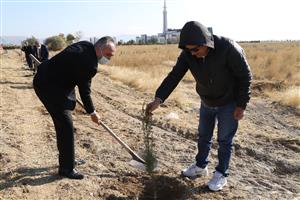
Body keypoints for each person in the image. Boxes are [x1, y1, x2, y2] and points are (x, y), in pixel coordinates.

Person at [146, 21, 252, 191]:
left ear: (206, 43)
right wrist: (158, 99)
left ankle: (221, 174)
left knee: (224, 140)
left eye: (195, 49)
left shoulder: (228, 48)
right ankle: (200, 166)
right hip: (207, 101)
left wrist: (241, 105)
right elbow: (174, 76)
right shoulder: (188, 54)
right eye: (188, 50)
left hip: (228, 103)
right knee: (203, 136)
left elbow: (245, 77)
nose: (192, 54)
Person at [33, 36, 116, 179]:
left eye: (111, 56)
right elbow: (85, 91)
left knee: (63, 123)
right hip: (48, 86)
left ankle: (68, 159)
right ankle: (66, 169)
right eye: (108, 54)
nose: (108, 58)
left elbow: (71, 69)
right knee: (65, 126)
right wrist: (92, 112)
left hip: (49, 77)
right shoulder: (90, 64)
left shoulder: (85, 45)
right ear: (99, 48)